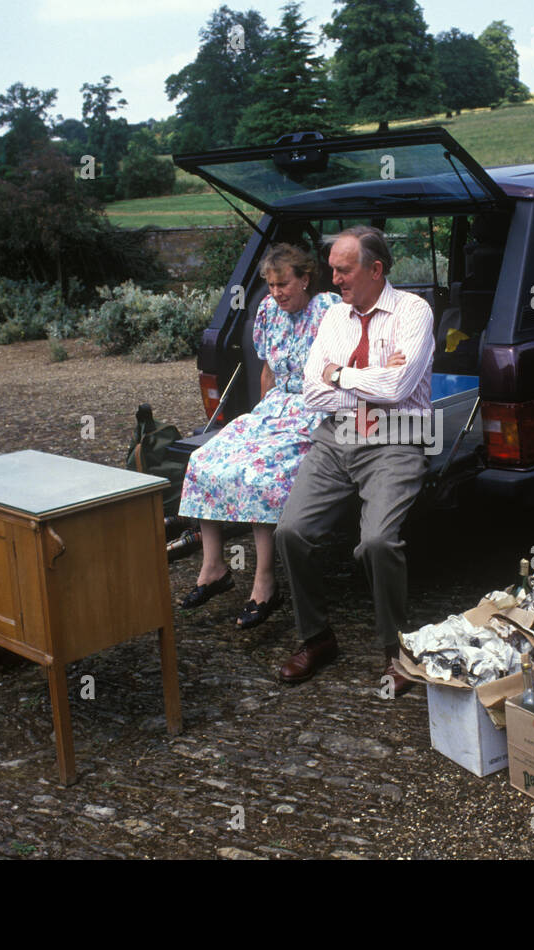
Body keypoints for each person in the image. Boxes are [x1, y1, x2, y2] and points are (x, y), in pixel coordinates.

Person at [274, 226, 434, 694]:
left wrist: (338, 373)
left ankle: (396, 650)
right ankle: (317, 638)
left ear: (376, 269)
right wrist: (365, 379)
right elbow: (311, 392)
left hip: (399, 435)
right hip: (338, 433)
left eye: (343, 270)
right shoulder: (333, 318)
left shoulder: (413, 311)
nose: (334, 279)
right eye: (332, 269)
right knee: (291, 532)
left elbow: (399, 389)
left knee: (378, 542)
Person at [177, 244, 339, 629]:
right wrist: (259, 418)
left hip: (313, 408)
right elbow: (267, 370)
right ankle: (214, 567)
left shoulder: (329, 309)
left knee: (260, 474)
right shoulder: (267, 310)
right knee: (204, 460)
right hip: (275, 407)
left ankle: (266, 583)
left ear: (305, 278)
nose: (276, 292)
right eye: (270, 285)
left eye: (284, 284)